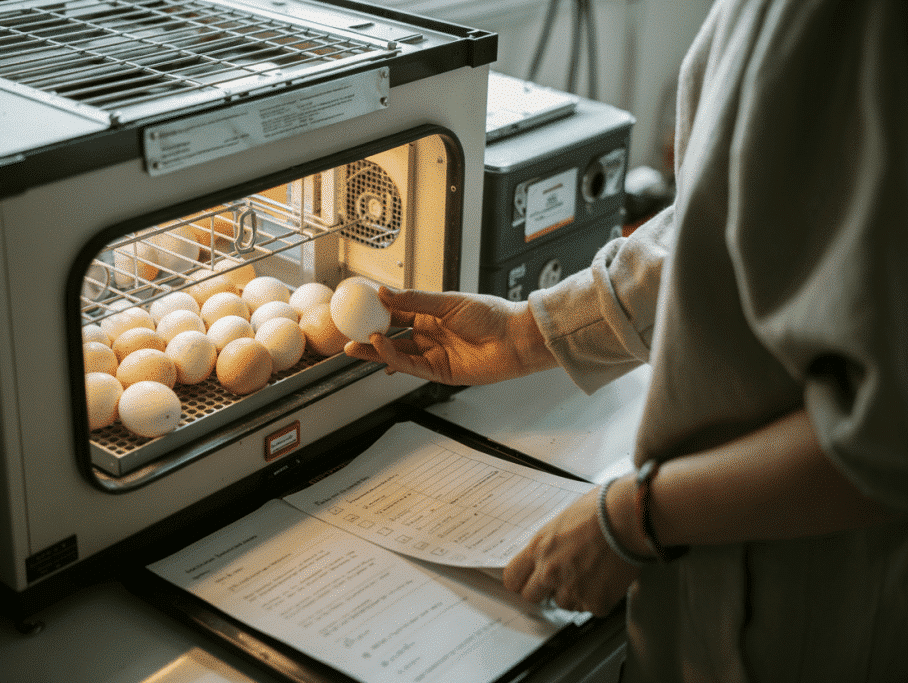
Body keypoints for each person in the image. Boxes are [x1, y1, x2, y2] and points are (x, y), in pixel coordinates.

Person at [344, 0, 908, 680]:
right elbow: (724, 216)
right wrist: (528, 332)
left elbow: (886, 437)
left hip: (807, 615)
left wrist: (637, 516)